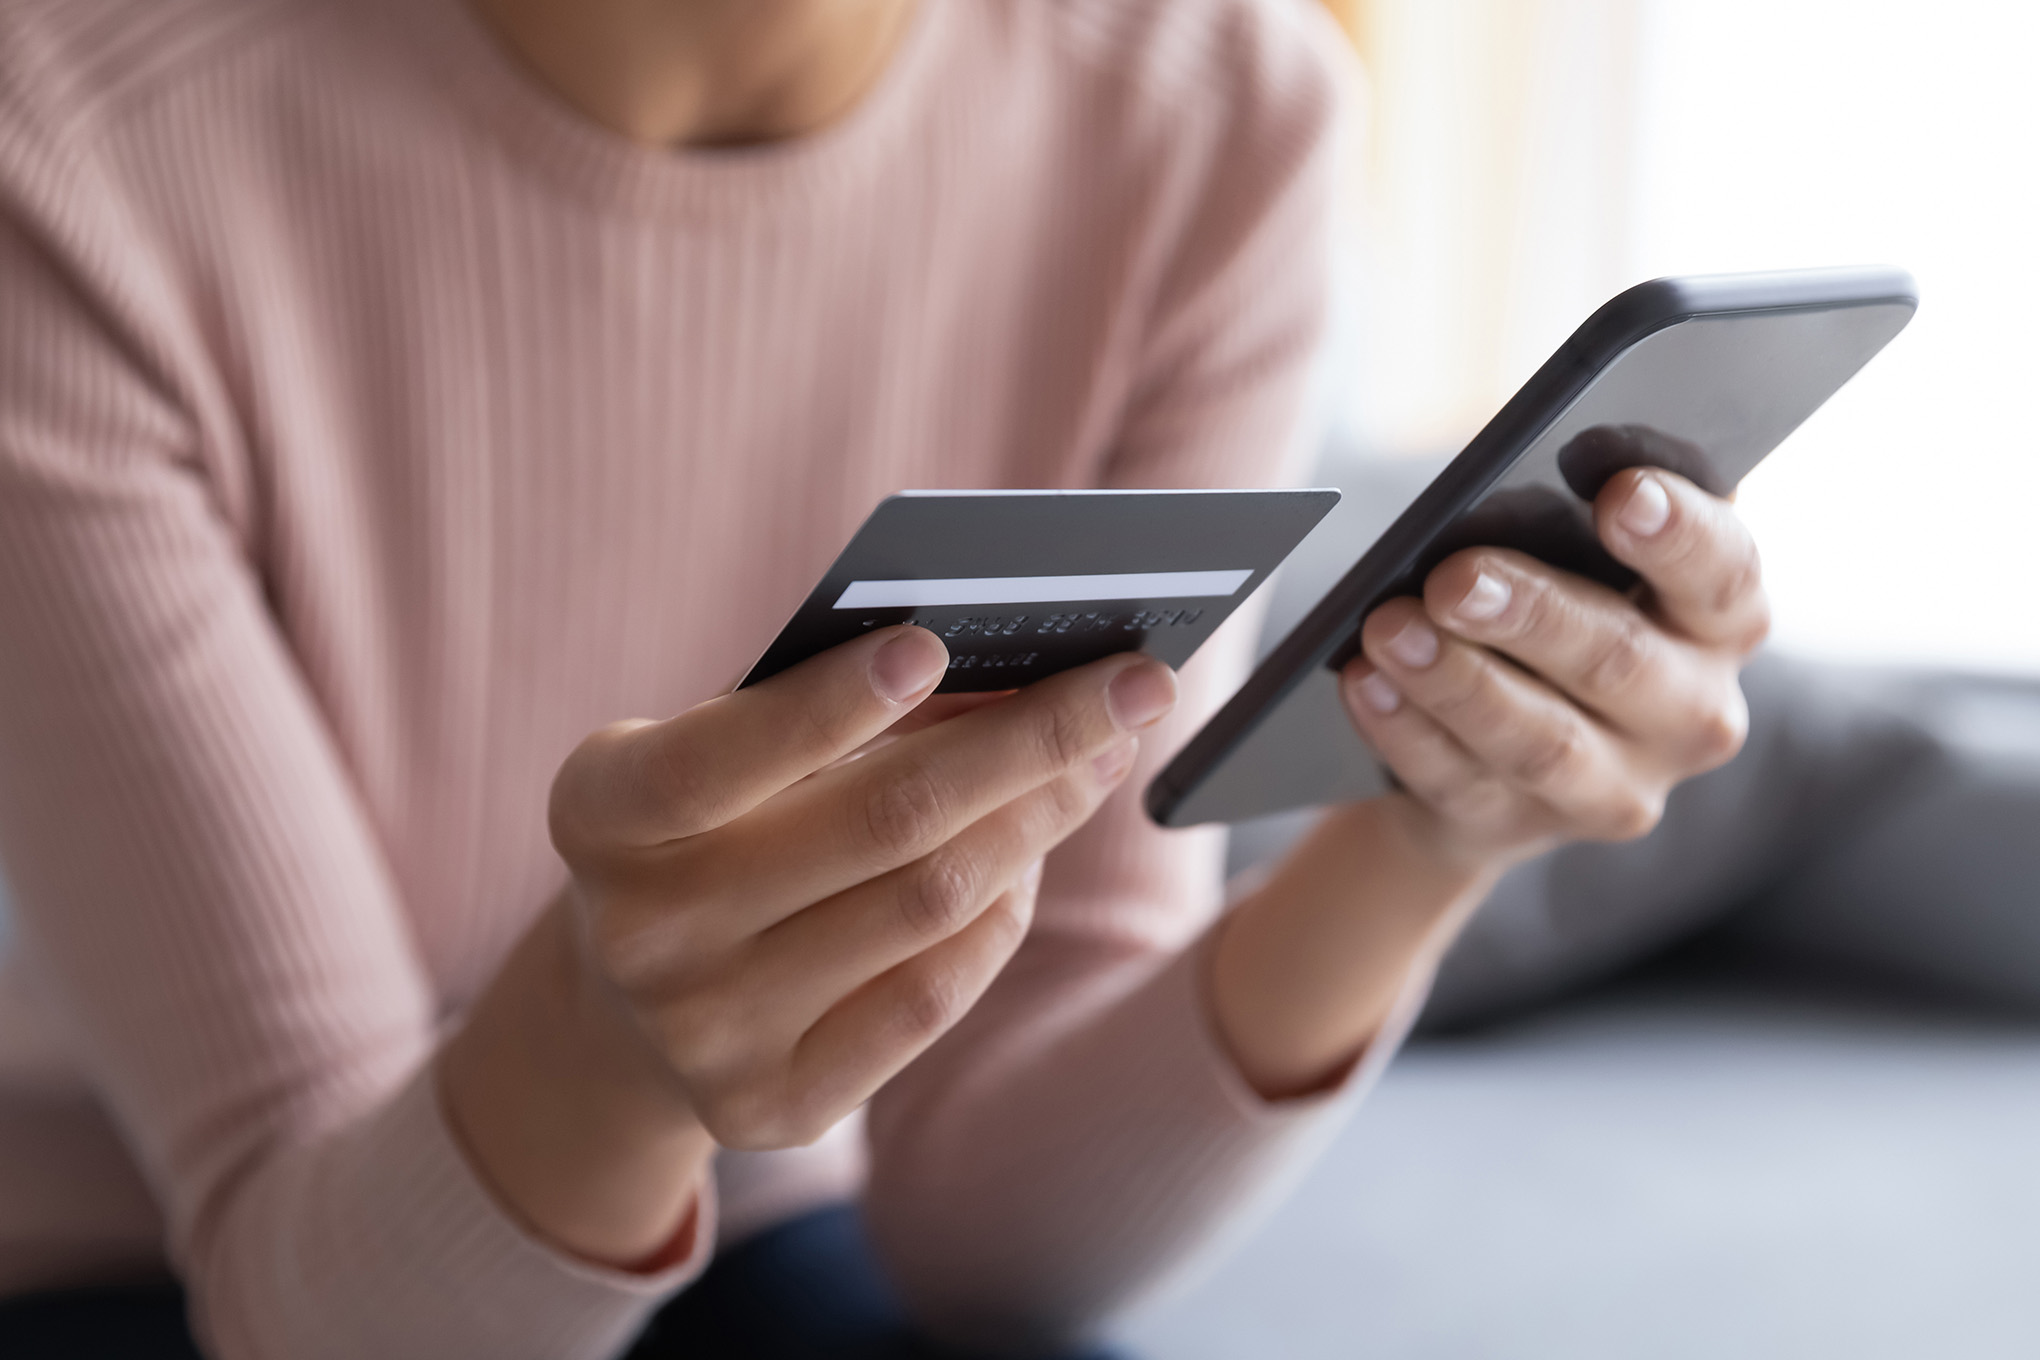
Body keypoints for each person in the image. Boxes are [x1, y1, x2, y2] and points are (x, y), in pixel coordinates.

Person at [0, 0, 1768, 1355]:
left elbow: (991, 1239)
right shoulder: (73, 136)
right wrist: (610, 1058)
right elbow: (311, 1306)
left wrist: (1425, 840)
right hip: (159, 1261)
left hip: (759, 1233)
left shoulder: (1214, 110)